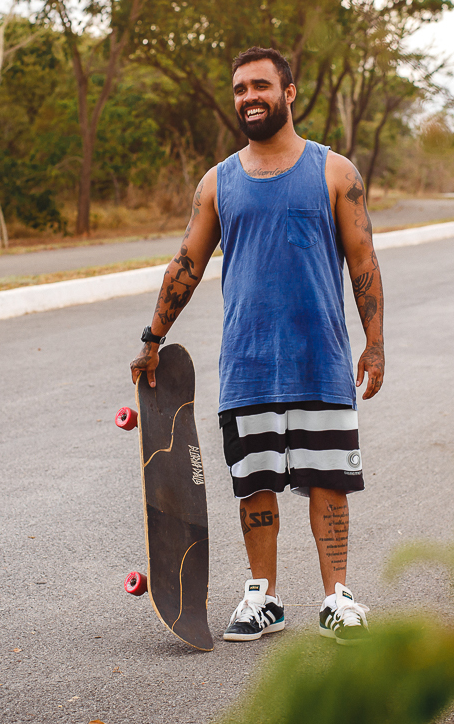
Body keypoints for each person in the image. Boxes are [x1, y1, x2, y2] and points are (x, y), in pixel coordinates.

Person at [129, 46, 385, 646]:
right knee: (255, 483)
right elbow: (187, 262)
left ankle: (337, 597)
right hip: (247, 364)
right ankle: (263, 596)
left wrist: (374, 345)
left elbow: (363, 262)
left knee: (328, 480)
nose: (250, 97)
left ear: (289, 93)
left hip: (319, 358)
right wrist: (153, 337)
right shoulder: (218, 182)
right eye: (241, 88)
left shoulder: (334, 171)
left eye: (261, 86)